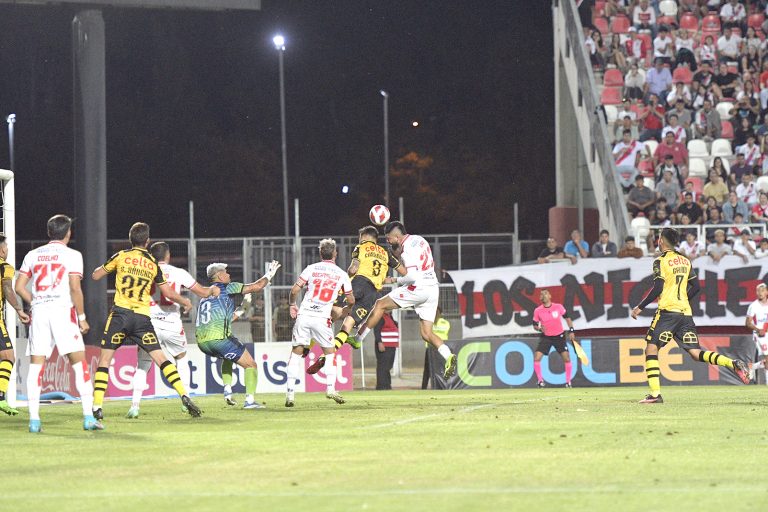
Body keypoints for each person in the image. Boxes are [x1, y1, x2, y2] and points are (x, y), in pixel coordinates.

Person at [90, 222, 201, 422]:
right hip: (142, 318)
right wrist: (184, 301)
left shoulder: (121, 256)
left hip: (120, 315)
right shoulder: (152, 262)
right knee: (162, 359)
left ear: (130, 239)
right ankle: (184, 395)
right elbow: (167, 292)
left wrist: (107, 268)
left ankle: (97, 406)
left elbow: (96, 275)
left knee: (104, 361)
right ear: (147, 241)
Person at [631, 228, 751, 404]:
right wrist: (682, 299)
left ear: (662, 241)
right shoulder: (685, 261)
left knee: (651, 348)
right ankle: (732, 363)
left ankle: (655, 394)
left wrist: (640, 306)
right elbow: (696, 287)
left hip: (667, 312)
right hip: (685, 313)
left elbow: (658, 288)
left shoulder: (660, 261)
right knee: (695, 353)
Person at [15, 217, 99, 432]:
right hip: (63, 312)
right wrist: (81, 317)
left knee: (36, 366)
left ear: (48, 231)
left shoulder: (33, 255)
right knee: (79, 364)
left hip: (40, 312)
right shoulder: (72, 255)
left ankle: (34, 420)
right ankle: (88, 417)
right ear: (68, 233)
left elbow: (19, 286)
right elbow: (74, 287)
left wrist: (35, 302)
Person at [126, 242, 220, 418]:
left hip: (149, 324)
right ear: (168, 255)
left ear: (151, 256)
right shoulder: (178, 273)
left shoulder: (143, 272)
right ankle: (185, 400)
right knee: (181, 358)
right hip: (172, 325)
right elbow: (201, 292)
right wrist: (213, 290)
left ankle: (134, 406)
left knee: (144, 364)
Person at [365, 222, 458, 381]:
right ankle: (448, 355)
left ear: (396, 237)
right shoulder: (420, 240)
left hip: (419, 288)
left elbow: (411, 277)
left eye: (389, 239)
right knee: (426, 334)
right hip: (433, 288)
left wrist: (393, 279)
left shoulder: (407, 250)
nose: (388, 242)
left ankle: (360, 335)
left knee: (380, 304)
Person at [196, 260, 280, 409]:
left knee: (228, 358)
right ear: (220, 276)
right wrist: (270, 274)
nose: (229, 275)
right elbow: (257, 286)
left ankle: (227, 391)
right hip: (219, 340)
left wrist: (243, 308)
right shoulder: (226, 287)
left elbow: (226, 319)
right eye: (226, 272)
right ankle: (249, 401)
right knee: (251, 365)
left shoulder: (205, 297)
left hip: (203, 344)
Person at [285, 239, 354, 407]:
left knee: (296, 353)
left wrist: (292, 305)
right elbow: (351, 299)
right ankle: (330, 389)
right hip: (322, 318)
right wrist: (345, 309)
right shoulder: (341, 274)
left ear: (320, 253)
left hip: (305, 315)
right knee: (330, 354)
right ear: (335, 253)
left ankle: (290, 395)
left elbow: (295, 290)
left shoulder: (311, 268)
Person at [325, 226, 403, 362]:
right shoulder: (385, 253)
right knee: (348, 323)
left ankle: (319, 329)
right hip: (372, 294)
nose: (359, 239)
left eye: (360, 237)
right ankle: (327, 355)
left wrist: (346, 276)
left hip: (359, 283)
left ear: (365, 237)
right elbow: (403, 271)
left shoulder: (361, 247)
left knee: (337, 310)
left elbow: (353, 268)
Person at [0, 235, 30, 417]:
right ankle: (1, 397)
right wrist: (19, 310)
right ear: (3, 250)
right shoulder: (5, 267)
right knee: (8, 357)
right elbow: (7, 288)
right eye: (7, 247)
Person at [532, 290, 575, 388]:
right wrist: (539, 329)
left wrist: (571, 330)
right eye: (542, 294)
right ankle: (540, 381)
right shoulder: (538, 310)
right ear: (540, 298)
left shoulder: (558, 307)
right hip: (546, 336)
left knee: (567, 358)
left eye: (545, 293)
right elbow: (534, 325)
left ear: (550, 296)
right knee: (537, 358)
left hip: (559, 336)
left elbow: (567, 318)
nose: (544, 295)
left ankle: (568, 382)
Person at [423, 307, 451, 389]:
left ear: (440, 313)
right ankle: (423, 388)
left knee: (441, 368)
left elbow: (442, 332)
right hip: (429, 348)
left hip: (441, 349)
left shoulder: (445, 323)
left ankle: (441, 386)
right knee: (427, 370)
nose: (435, 314)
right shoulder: (429, 323)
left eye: (437, 312)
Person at [746, 283, 768, 384]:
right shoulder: (753, 306)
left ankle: (753, 366)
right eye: (758, 291)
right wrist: (759, 330)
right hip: (760, 335)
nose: (760, 293)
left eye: (762, 291)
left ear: (767, 292)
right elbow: (748, 323)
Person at [375, 313, 398, 391]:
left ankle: (387, 385)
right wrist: (379, 342)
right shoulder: (381, 317)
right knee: (383, 367)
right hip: (385, 346)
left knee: (388, 367)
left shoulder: (390, 316)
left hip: (391, 346)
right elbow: (377, 330)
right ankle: (381, 386)